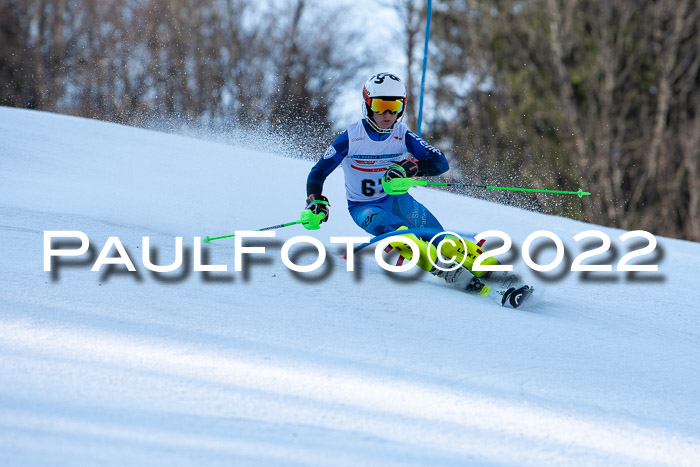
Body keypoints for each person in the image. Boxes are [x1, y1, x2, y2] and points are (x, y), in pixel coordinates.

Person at [301, 72, 494, 291]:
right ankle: (451, 273)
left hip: (397, 200)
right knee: (404, 235)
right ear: (368, 104)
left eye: (394, 106)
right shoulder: (351, 137)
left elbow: (440, 163)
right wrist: (315, 201)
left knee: (438, 238)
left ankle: (494, 271)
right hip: (364, 208)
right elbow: (318, 172)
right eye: (380, 104)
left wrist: (412, 167)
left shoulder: (402, 134)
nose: (387, 113)